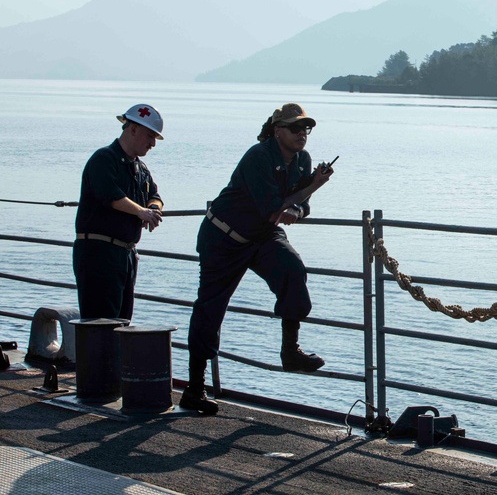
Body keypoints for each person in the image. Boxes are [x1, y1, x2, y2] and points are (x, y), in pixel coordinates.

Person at [180, 103, 334, 415]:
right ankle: (195, 388)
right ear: (277, 130)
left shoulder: (303, 160)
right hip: (225, 236)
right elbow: (275, 209)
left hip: (262, 235)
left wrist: (303, 202)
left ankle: (290, 351)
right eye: (295, 127)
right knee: (210, 307)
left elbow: (299, 207)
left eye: (306, 128)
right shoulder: (259, 156)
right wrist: (310, 190)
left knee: (293, 270)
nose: (302, 133)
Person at [74, 104, 165, 321]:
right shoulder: (104, 159)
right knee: (100, 321)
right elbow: (111, 196)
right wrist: (141, 212)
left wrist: (153, 209)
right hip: (99, 252)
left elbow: (155, 195)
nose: (152, 143)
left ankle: (114, 355)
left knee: (122, 320)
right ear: (132, 129)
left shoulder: (140, 168)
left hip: (125, 254)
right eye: (149, 136)